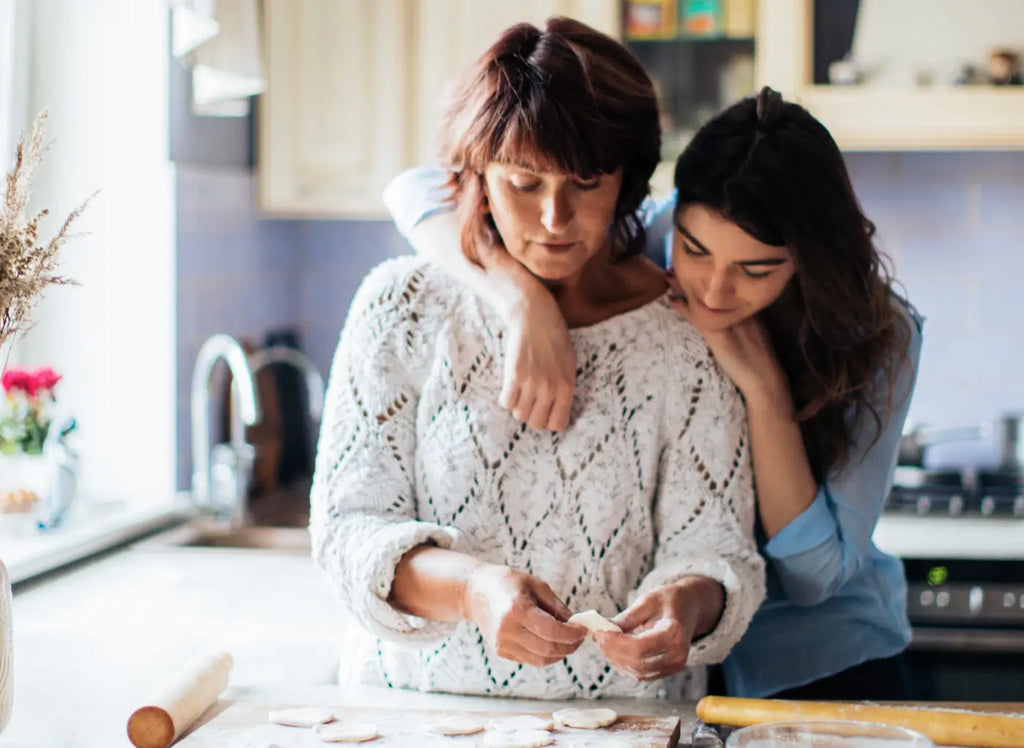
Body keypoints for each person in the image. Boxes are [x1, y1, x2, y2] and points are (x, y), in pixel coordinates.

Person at [382, 86, 923, 700]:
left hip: (819, 663)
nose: (715, 289)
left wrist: (764, 393)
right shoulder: (649, 236)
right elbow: (417, 190)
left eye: (757, 269)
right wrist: (520, 300)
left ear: (807, 260)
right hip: (679, 674)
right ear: (675, 215)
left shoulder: (881, 335)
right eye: (694, 251)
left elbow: (815, 578)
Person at [310, 17, 764, 701]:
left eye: (586, 182)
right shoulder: (401, 306)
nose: (556, 219)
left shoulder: (685, 336)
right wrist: (470, 591)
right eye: (524, 183)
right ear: (476, 177)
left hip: (626, 725)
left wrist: (686, 605)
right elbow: (348, 530)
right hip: (414, 719)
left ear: (628, 181)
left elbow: (720, 550)